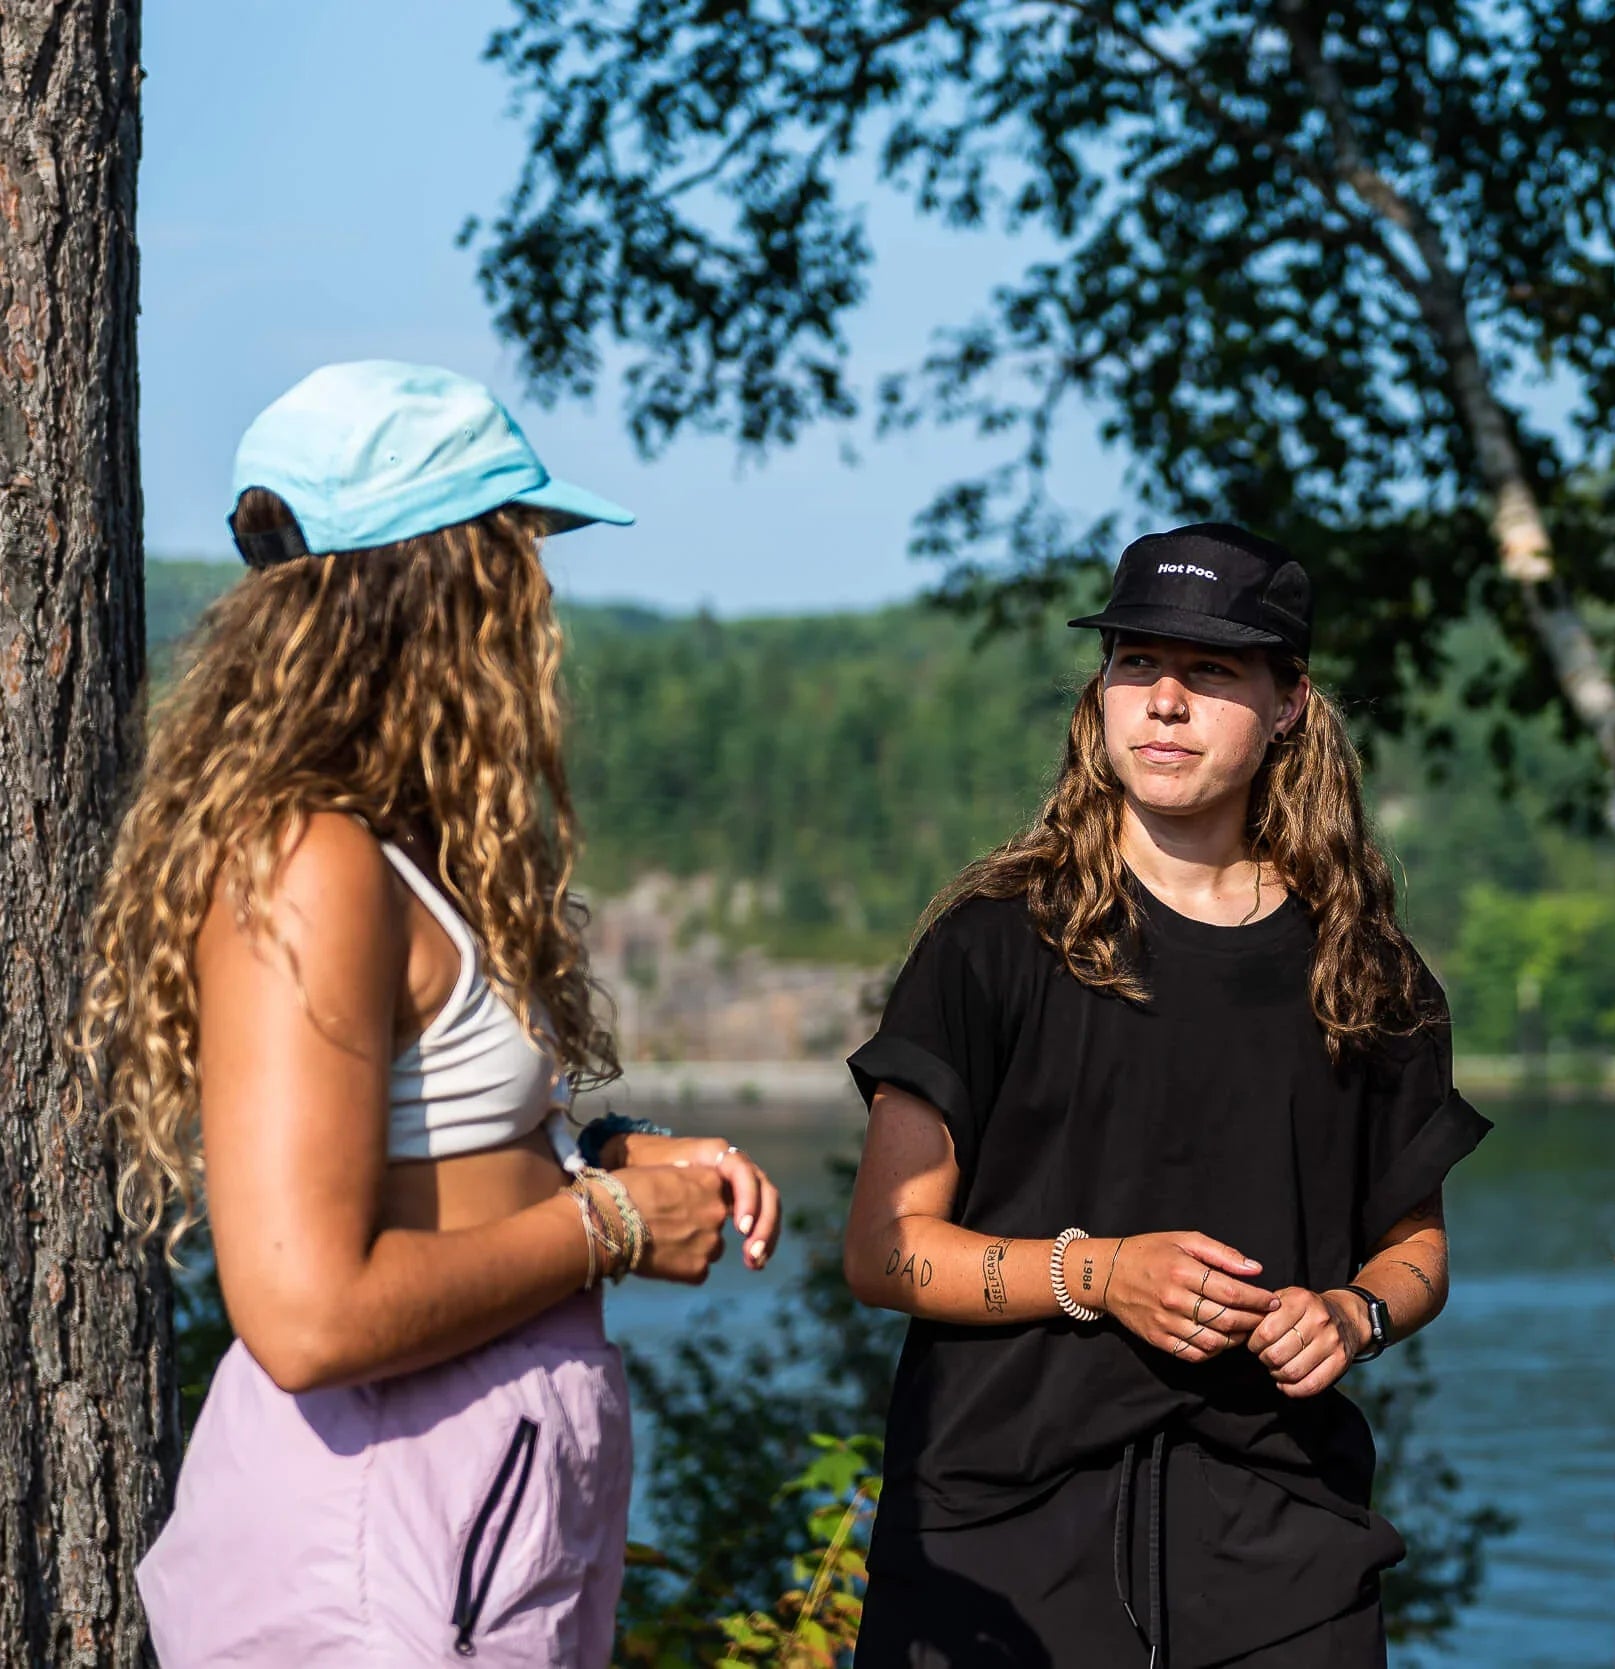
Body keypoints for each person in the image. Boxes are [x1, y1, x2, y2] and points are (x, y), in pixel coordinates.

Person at [76, 362, 784, 1667]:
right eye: (513, 552)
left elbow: (430, 1143)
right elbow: (304, 1314)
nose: (538, 598)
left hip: (458, 1520)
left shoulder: (395, 847)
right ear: (433, 579)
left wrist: (601, 1153)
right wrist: (613, 1224)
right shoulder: (314, 862)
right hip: (385, 1547)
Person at [840, 523, 1490, 1668]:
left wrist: (1354, 1313)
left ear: (1289, 703)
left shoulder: (1369, 973)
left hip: (1284, 1557)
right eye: (1136, 664)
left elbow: (1416, 1249)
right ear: (1099, 695)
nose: (1164, 702)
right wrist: (1097, 1271)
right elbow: (885, 1256)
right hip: (998, 1559)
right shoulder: (992, 945)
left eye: (1211, 670)